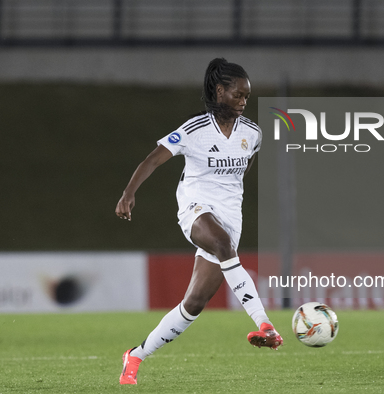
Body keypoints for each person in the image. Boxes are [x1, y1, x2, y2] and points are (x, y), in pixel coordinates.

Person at [115, 58, 283, 385]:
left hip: (230, 214)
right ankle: (265, 324)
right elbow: (154, 158)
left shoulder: (253, 133)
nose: (244, 101)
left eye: (247, 96)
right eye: (238, 94)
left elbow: (245, 165)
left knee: (194, 303)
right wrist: (128, 193)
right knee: (222, 244)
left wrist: (230, 187)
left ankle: (135, 356)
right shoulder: (195, 130)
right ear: (220, 92)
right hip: (194, 205)